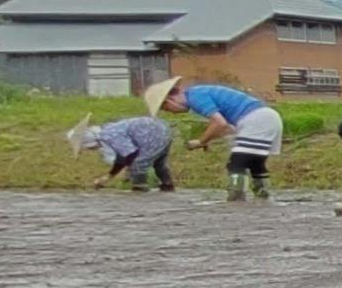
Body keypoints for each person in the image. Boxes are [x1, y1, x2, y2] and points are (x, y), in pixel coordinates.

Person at [149, 75, 284, 199]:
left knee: (236, 164)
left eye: (167, 109)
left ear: (169, 101)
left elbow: (219, 123)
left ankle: (236, 200)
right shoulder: (199, 92)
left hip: (255, 119)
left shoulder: (195, 97)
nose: (172, 113)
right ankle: (263, 198)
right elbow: (227, 128)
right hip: (267, 116)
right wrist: (208, 139)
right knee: (255, 162)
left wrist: (201, 141)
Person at [70, 114, 175, 192]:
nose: (92, 150)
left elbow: (131, 154)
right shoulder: (109, 130)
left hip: (153, 135)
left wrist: (127, 170)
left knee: (138, 164)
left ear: (92, 142)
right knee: (159, 163)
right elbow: (122, 156)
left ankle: (140, 190)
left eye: (89, 147)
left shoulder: (108, 136)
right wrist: (109, 176)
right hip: (162, 129)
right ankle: (167, 186)